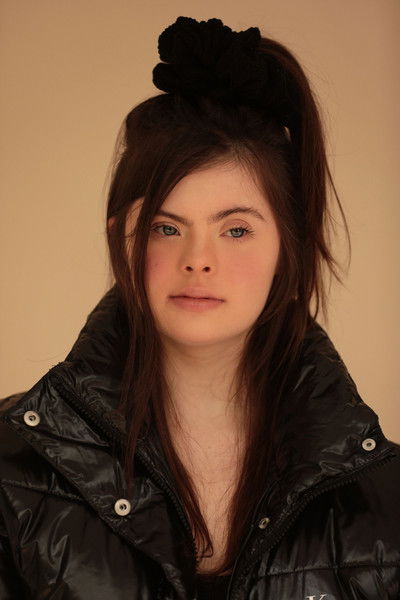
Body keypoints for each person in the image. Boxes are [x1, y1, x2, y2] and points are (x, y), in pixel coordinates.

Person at [0, 15, 399, 600]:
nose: (198, 260)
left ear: (286, 248)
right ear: (122, 240)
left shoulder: (384, 496)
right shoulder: (12, 466)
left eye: (236, 230)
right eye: (166, 227)